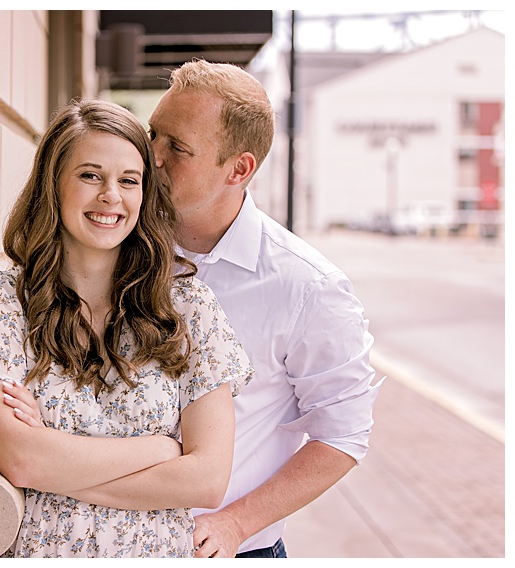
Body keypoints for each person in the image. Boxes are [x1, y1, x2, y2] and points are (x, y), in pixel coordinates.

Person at [0, 99, 253, 557]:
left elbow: (207, 480)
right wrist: (162, 449)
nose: (111, 196)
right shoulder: (5, 300)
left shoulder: (187, 306)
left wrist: (55, 465)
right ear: (53, 183)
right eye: (89, 175)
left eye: (128, 180)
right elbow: (21, 459)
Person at [149, 60, 380, 558]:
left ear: (239, 168)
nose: (153, 157)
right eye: (153, 134)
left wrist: (236, 522)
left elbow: (342, 435)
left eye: (178, 147)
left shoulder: (308, 288)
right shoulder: (116, 247)